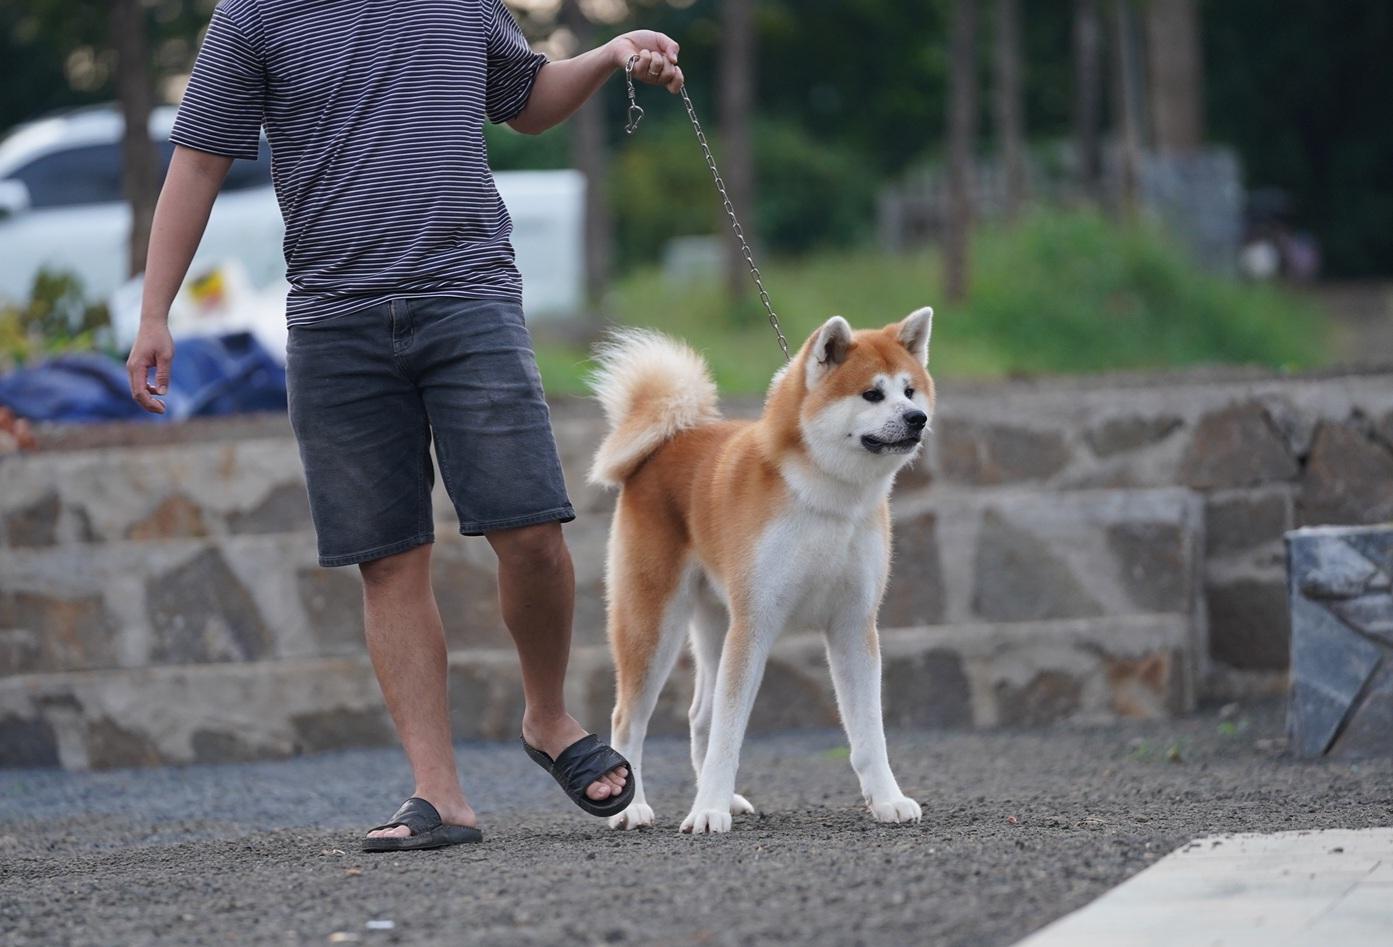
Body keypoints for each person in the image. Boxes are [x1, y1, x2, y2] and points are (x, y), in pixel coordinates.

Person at [127, 0, 684, 851]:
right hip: (333, 322)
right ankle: (439, 791)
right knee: (388, 558)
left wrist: (608, 54)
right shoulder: (252, 15)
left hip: (470, 300)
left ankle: (547, 715)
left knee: (531, 531)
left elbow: (528, 99)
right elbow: (198, 161)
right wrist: (155, 312)